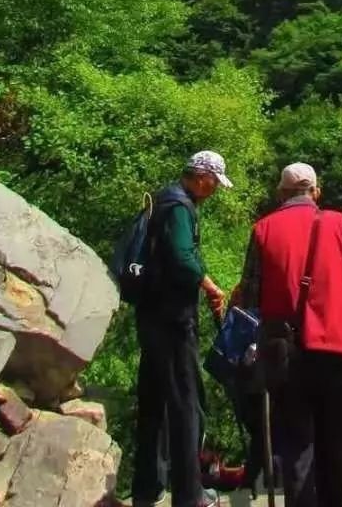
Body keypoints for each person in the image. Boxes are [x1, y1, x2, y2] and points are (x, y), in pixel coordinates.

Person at [232, 162, 342, 507]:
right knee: (335, 442)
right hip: (337, 347)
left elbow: (250, 296)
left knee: (296, 445)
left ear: (281, 194)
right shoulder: (339, 223)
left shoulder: (262, 230)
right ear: (316, 192)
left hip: (284, 350)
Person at [132, 150, 231, 507]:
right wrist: (211, 286)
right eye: (214, 183)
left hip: (152, 316)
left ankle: (146, 488)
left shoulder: (163, 199)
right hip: (172, 320)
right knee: (185, 402)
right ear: (201, 176)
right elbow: (182, 257)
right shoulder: (179, 206)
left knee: (154, 402)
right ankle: (190, 495)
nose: (215, 190)